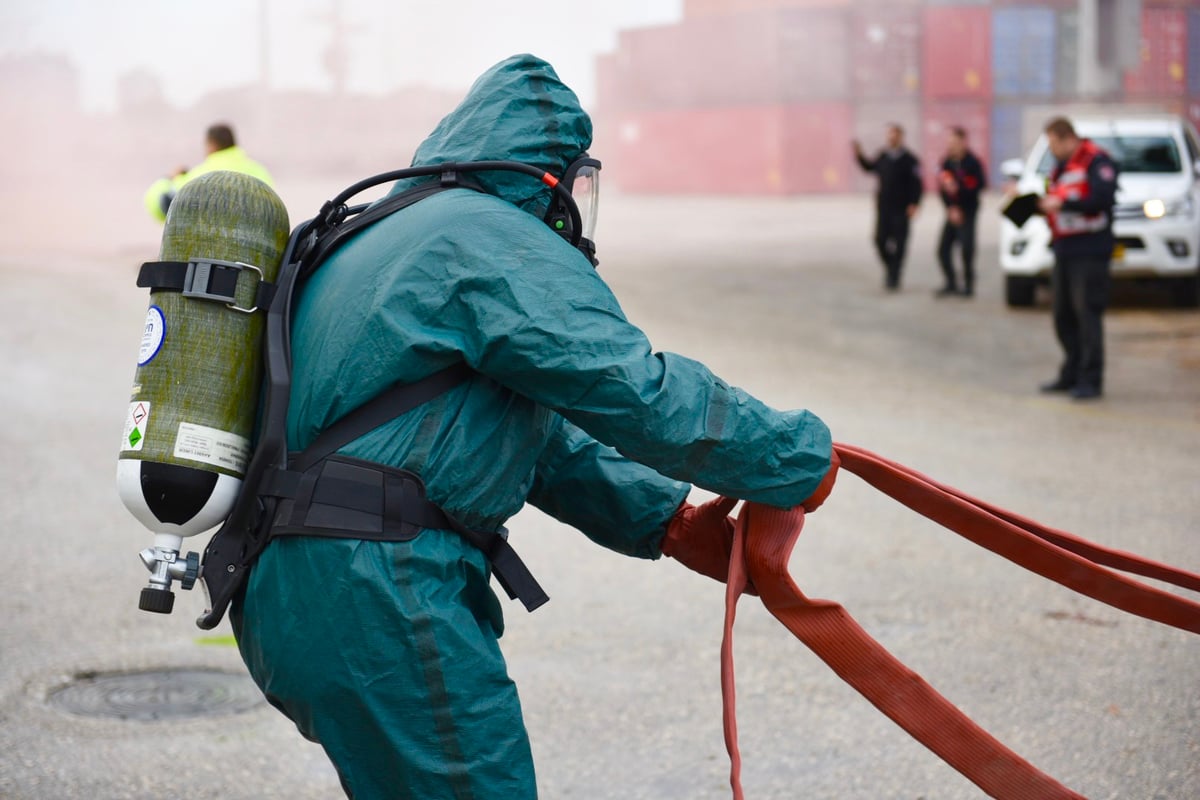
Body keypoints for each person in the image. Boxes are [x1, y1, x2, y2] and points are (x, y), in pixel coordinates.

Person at [228, 54, 838, 799]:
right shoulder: (488, 239)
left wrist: (665, 521)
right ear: (547, 175)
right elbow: (635, 390)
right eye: (577, 182)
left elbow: (524, 430)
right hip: (379, 588)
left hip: (290, 591)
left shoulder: (380, 230)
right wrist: (798, 458)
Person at [1036, 117, 1119, 401]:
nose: (1052, 149)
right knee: (1063, 316)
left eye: (1053, 143)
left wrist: (1065, 204)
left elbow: (1102, 199)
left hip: (1091, 251)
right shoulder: (1060, 167)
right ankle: (1070, 373)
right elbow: (1055, 196)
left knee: (1087, 316)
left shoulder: (1098, 162)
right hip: (1065, 249)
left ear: (1067, 138)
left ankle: (1091, 379)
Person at [143, 122, 274, 222]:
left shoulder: (198, 175)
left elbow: (159, 205)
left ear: (212, 145)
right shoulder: (260, 172)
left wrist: (169, 178)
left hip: (209, 253)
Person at [853, 124, 923, 291]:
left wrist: (915, 204)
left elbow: (917, 185)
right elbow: (869, 168)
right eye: (889, 135)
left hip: (902, 209)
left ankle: (894, 276)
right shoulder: (883, 156)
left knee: (900, 244)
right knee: (879, 240)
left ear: (900, 137)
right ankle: (891, 268)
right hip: (884, 208)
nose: (891, 138)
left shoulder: (910, 160)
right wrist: (859, 155)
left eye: (895, 135)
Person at [934, 126, 987, 298]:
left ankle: (969, 285)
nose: (952, 146)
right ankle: (951, 282)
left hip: (968, 211)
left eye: (955, 142)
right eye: (950, 142)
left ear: (963, 142)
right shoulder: (946, 163)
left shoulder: (973, 163)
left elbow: (979, 186)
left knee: (967, 249)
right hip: (952, 212)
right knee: (942, 250)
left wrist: (961, 191)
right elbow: (942, 189)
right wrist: (950, 207)